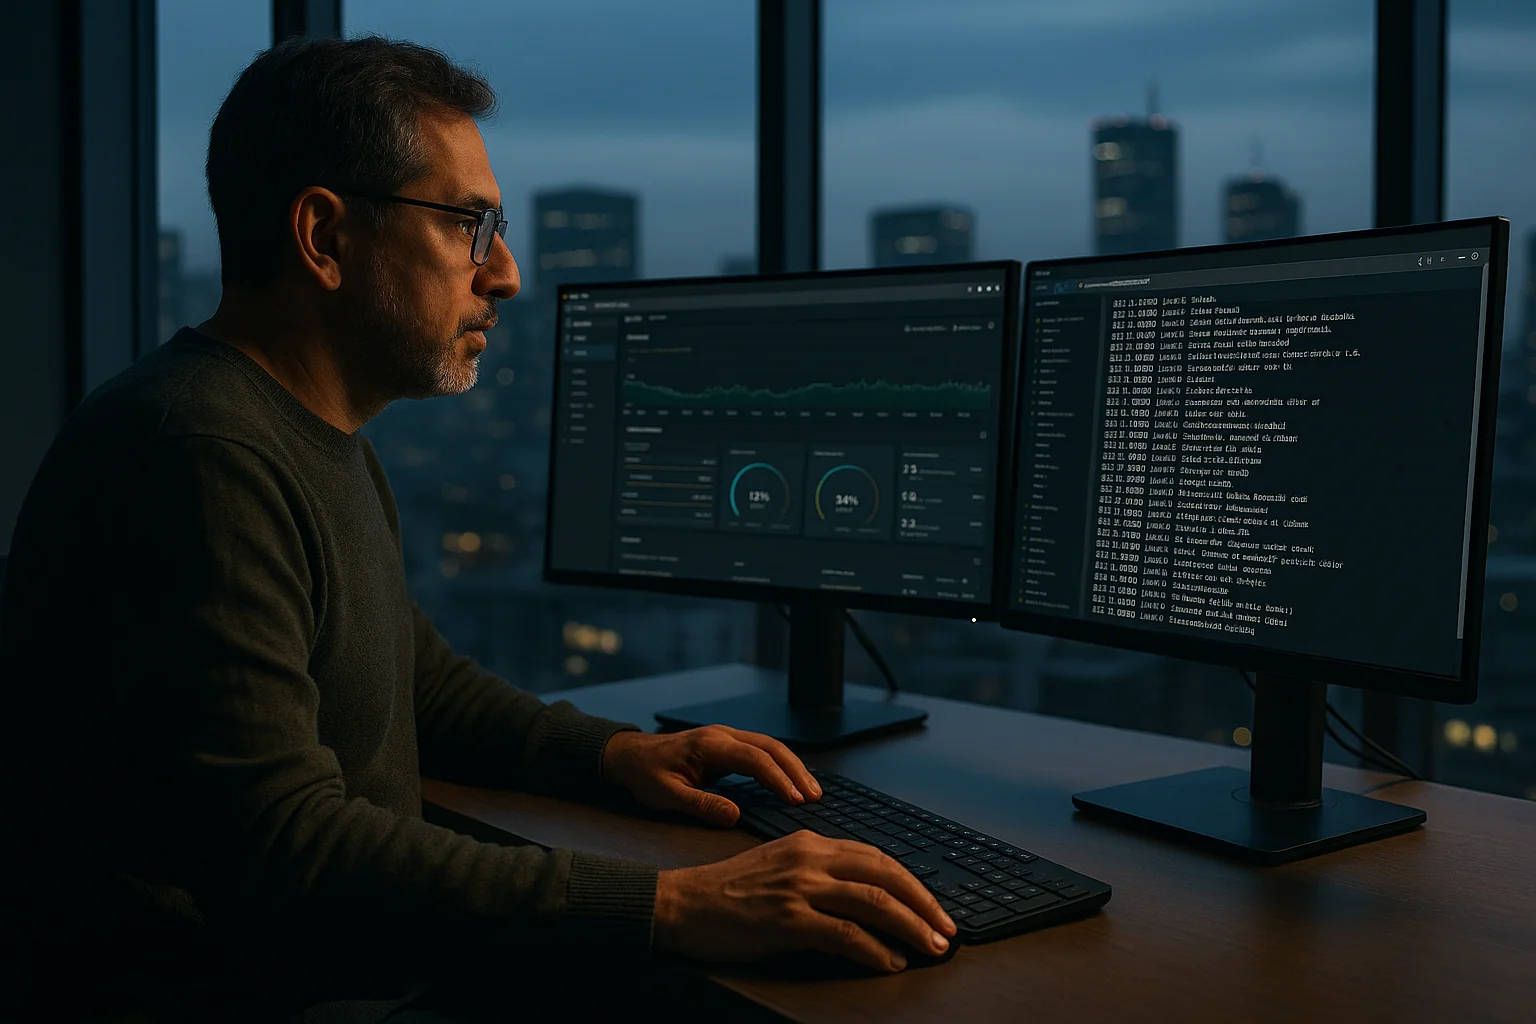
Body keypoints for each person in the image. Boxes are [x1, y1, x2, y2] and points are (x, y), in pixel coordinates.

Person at [0, 35, 953, 1022]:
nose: (504, 273)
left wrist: (617, 757)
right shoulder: (197, 451)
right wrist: (674, 902)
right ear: (324, 237)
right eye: (470, 223)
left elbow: (413, 678)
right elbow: (283, 845)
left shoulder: (309, 435)